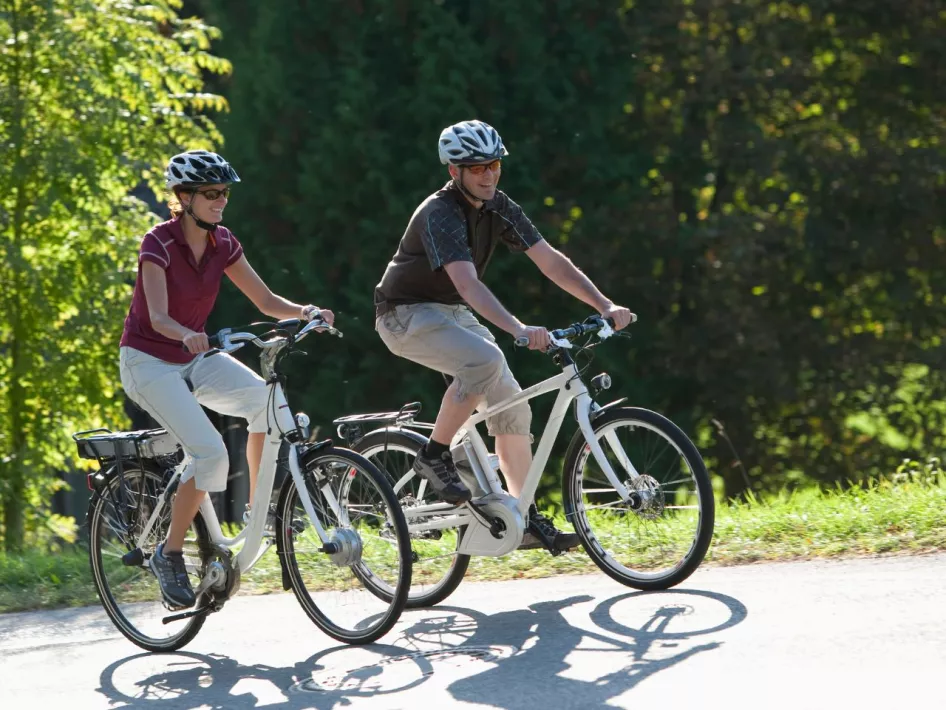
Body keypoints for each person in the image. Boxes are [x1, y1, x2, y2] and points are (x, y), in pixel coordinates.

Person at [373, 120, 634, 554]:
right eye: (477, 168)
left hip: (450, 313)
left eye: (494, 164)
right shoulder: (440, 213)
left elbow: (550, 261)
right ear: (455, 172)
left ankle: (523, 515)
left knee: (512, 408)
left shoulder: (500, 206)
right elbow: (468, 284)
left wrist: (603, 305)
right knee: (484, 361)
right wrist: (516, 328)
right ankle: (434, 456)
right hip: (404, 314)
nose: (489, 174)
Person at [119, 149, 335, 608]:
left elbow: (265, 299)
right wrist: (186, 334)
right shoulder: (157, 243)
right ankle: (170, 553)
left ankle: (261, 511)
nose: (221, 201)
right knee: (211, 453)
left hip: (195, 356)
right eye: (211, 193)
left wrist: (306, 311)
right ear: (184, 197)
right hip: (148, 361)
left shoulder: (224, 243)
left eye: (225, 193)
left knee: (265, 403)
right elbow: (157, 317)